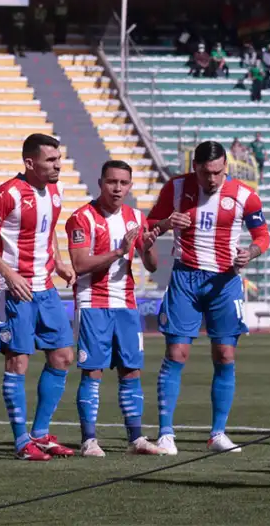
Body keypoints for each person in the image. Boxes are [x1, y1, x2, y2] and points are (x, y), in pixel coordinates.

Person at [147, 140, 270, 455]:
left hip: (225, 281)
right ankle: (165, 434)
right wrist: (165, 223)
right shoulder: (175, 189)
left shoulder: (244, 195)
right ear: (195, 169)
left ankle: (218, 434)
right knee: (176, 353)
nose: (212, 179)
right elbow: (148, 227)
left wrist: (250, 253)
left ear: (225, 167)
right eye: (205, 173)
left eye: (217, 172)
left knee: (225, 355)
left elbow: (262, 236)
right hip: (185, 278)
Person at [0, 133, 76, 461]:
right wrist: (8, 273)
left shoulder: (56, 189)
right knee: (18, 361)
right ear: (30, 163)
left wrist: (58, 262)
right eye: (50, 160)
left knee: (62, 356)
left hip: (45, 287)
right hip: (13, 289)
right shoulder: (6, 195)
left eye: (58, 159)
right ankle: (21, 441)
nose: (57, 165)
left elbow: (48, 230)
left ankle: (41, 434)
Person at [65, 160, 165, 457]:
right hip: (93, 302)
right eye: (112, 182)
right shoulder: (82, 217)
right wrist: (120, 251)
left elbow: (153, 265)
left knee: (131, 371)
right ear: (101, 183)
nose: (118, 188)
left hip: (127, 303)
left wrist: (146, 246)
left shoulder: (136, 217)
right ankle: (89, 440)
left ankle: (136, 439)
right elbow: (80, 264)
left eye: (123, 183)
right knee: (92, 371)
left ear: (130, 185)